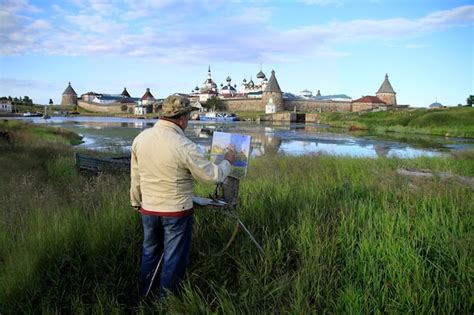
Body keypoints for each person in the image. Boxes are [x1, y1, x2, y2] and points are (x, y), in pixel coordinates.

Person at [130, 95, 236, 298]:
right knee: (173, 259)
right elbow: (213, 176)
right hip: (176, 212)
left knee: (149, 253)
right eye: (189, 116)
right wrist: (228, 161)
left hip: (148, 209)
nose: (189, 120)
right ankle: (167, 302)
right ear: (182, 117)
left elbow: (136, 177)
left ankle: (145, 296)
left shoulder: (140, 139)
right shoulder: (183, 145)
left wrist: (136, 202)